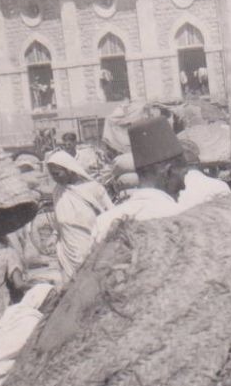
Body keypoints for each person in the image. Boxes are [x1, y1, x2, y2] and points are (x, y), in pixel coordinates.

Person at [90, 116, 188, 243]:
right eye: (182, 176)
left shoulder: (104, 223)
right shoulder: (182, 219)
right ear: (168, 172)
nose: (184, 186)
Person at [45, 150, 113, 280]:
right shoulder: (58, 191)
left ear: (69, 170)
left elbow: (111, 214)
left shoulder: (93, 189)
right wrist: (54, 236)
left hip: (91, 247)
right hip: (67, 252)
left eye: (57, 174)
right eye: (52, 175)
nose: (55, 178)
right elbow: (58, 219)